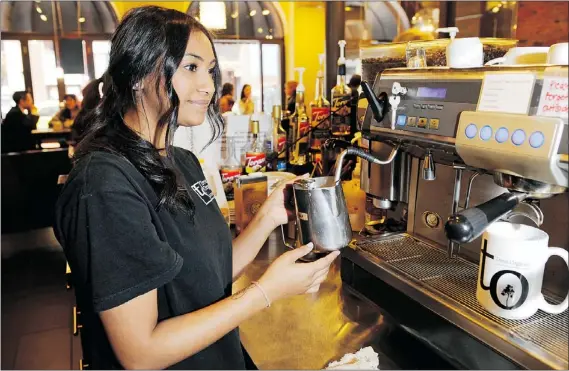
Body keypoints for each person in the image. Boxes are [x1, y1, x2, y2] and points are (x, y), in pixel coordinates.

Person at [54, 6, 337, 370]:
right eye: (190, 67)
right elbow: (141, 352)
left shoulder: (181, 159)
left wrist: (268, 217)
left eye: (210, 70)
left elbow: (208, 274)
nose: (208, 86)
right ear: (138, 72)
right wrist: (266, 291)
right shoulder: (105, 184)